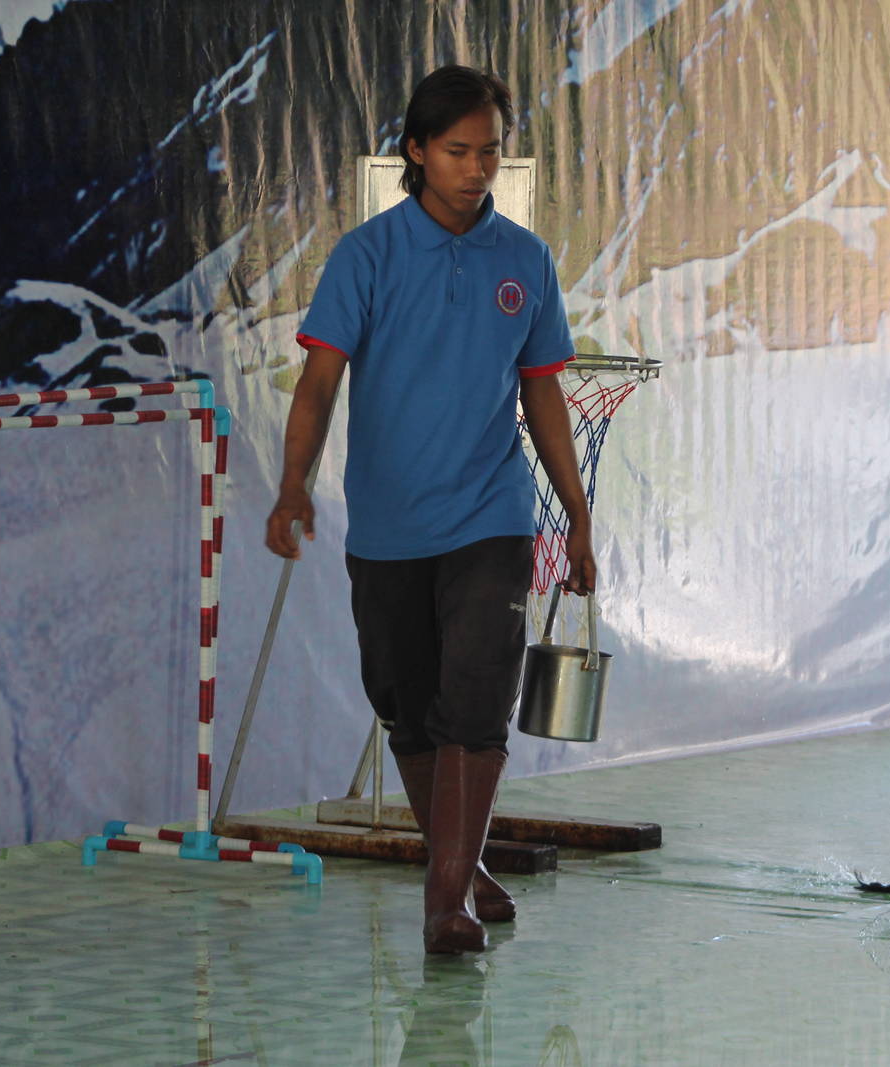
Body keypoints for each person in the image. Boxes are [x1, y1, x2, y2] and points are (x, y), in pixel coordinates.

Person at [265, 64, 595, 956]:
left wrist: (576, 512)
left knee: (478, 695)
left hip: (492, 513)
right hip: (388, 523)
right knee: (407, 704)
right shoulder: (365, 258)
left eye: (490, 151)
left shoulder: (524, 262)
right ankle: (463, 866)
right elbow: (319, 383)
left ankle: (443, 899)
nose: (477, 167)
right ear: (415, 152)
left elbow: (545, 397)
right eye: (458, 151)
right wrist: (294, 482)